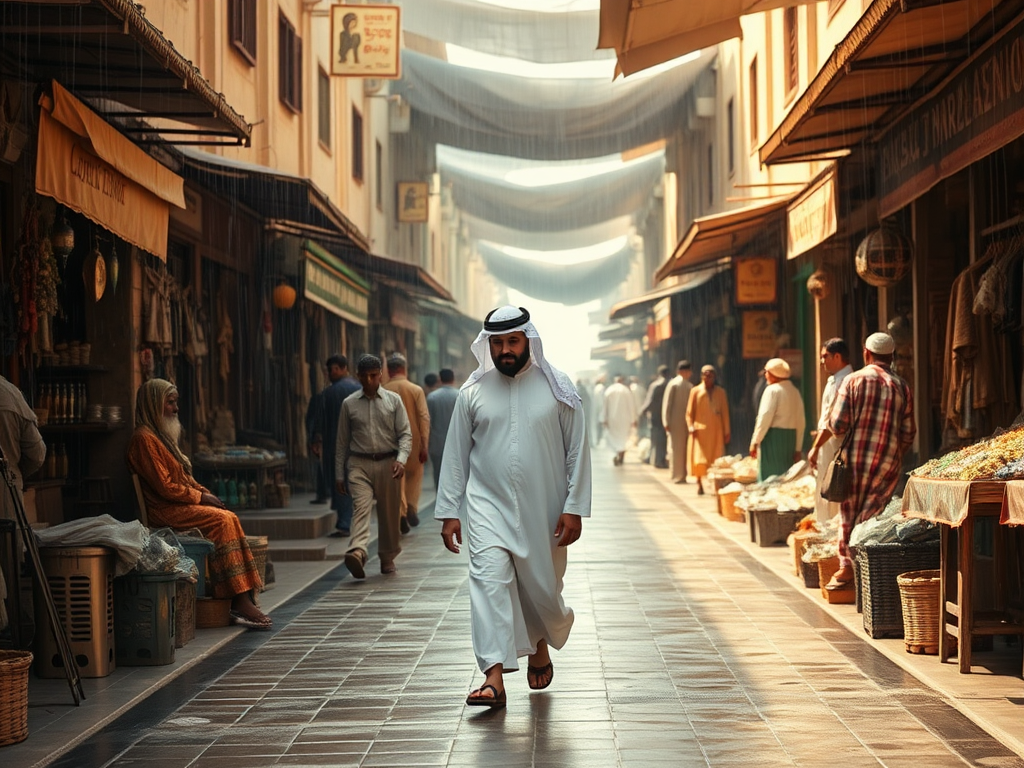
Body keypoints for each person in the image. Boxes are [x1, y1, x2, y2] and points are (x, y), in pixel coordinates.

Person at [435, 305, 591, 709]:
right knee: (488, 584)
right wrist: (450, 510)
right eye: (498, 343)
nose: (505, 350)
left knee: (540, 587)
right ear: (488, 345)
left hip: (546, 510)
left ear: (528, 340)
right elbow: (455, 456)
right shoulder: (472, 392)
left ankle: (540, 640)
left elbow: (577, 451)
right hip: (487, 509)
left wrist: (574, 506)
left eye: (513, 341)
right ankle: (492, 677)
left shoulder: (558, 388)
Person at [127, 379, 271, 629]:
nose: (175, 409)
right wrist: (202, 498)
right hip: (165, 511)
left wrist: (207, 495)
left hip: (179, 505)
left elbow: (186, 479)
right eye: (170, 403)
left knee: (228, 516)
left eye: (175, 403)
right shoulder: (144, 439)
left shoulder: (160, 438)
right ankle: (237, 597)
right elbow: (166, 487)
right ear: (153, 405)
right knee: (222, 521)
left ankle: (242, 595)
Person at [825, 332, 916, 590]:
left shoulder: (853, 381)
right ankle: (866, 571)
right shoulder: (902, 386)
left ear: (866, 354)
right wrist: (894, 451)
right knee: (871, 517)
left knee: (849, 512)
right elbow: (909, 432)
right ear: (892, 357)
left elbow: (838, 423)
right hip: (887, 463)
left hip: (853, 461)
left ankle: (846, 568)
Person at [336, 354, 413, 578]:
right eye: (364, 376)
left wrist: (401, 459)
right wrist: (339, 474)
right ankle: (357, 551)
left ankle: (387, 557)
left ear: (381, 375)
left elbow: (405, 435)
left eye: (373, 375)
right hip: (358, 464)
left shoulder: (394, 401)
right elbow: (341, 443)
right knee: (361, 507)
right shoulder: (348, 404)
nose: (369, 381)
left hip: (389, 463)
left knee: (389, 514)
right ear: (357, 376)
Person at [808, 338, 853, 523]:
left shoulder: (845, 381)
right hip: (828, 442)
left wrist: (816, 446)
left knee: (832, 487)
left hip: (835, 443)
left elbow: (833, 422)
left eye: (825, 356)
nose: (822, 361)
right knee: (826, 487)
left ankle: (831, 529)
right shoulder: (834, 380)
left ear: (837, 356)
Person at [384, 353, 429, 532]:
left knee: (397, 478)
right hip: (415, 441)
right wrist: (424, 444)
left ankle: (402, 513)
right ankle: (412, 506)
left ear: (389, 370)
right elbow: (424, 418)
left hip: (392, 442)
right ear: (404, 368)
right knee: (415, 475)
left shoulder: (383, 390)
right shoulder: (416, 389)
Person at [322, 355, 361, 537]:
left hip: (335, 445)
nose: (330, 373)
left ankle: (344, 523)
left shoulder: (329, 393)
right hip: (357, 446)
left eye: (333, 369)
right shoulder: (359, 388)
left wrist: (318, 439)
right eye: (329, 370)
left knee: (340, 482)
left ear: (343, 368)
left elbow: (324, 420)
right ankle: (350, 520)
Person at [750, 358, 806, 481]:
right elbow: (801, 421)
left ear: (773, 374)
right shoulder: (795, 391)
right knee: (786, 478)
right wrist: (798, 448)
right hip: (790, 440)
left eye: (767, 372)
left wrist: (755, 441)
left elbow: (764, 418)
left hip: (772, 439)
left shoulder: (772, 390)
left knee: (770, 479)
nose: (765, 375)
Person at [0, 375, 45, 519]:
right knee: (8, 540)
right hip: (5, 492)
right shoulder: (9, 393)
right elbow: (37, 455)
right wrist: (15, 472)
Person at [686, 365, 731, 495]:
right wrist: (691, 426)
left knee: (716, 459)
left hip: (716, 431)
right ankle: (699, 484)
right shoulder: (695, 391)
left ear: (714, 377)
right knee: (699, 460)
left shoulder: (720, 392)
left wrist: (727, 431)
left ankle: (715, 485)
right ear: (701, 376)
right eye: (705, 375)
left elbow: (725, 413)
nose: (708, 378)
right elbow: (689, 412)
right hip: (700, 432)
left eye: (710, 375)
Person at [426, 368, 459, 492]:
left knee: (438, 474)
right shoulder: (460, 395)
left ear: (440, 379)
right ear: (453, 379)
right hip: (457, 445)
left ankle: (440, 501)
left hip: (437, 445)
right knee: (456, 476)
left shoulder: (432, 397)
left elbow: (428, 422)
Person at [662, 360, 693, 483]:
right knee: (677, 448)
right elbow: (667, 404)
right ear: (682, 371)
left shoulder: (689, 386)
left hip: (681, 421)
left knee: (681, 448)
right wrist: (666, 421)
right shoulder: (675, 384)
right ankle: (677, 474)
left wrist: (666, 421)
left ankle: (681, 474)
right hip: (676, 421)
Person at [304, 367, 329, 505]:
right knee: (322, 466)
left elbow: (313, 419)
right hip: (325, 438)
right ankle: (324, 492)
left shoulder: (322, 398)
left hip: (325, 437)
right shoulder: (320, 398)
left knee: (323, 466)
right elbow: (312, 419)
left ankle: (324, 493)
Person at [601, 374, 636, 466]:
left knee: (615, 438)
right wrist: (633, 419)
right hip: (625, 419)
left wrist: (604, 418)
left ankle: (617, 454)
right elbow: (631, 406)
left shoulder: (609, 390)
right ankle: (621, 456)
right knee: (623, 438)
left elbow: (605, 406)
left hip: (612, 419)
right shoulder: (626, 390)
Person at [640, 366, 670, 469]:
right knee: (663, 439)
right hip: (666, 416)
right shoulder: (669, 384)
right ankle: (661, 460)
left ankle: (655, 460)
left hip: (655, 416)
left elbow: (650, 401)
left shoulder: (655, 385)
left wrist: (643, 411)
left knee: (655, 439)